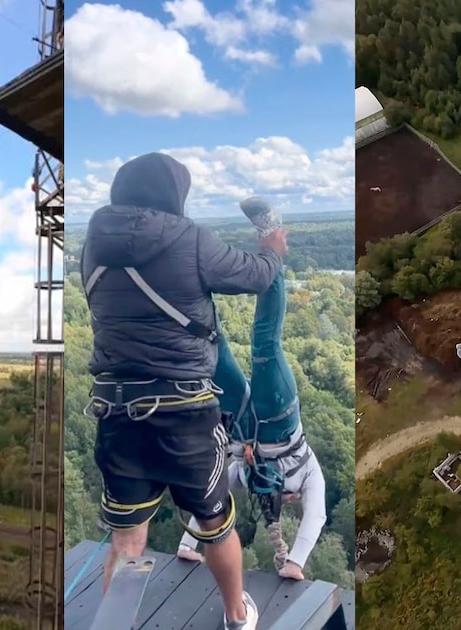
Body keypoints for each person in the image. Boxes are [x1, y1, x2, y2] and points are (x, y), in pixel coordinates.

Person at [81, 154, 287, 630]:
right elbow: (255, 275)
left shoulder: (93, 241)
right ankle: (237, 615)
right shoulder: (188, 238)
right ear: (174, 194)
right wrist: (274, 248)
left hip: (117, 413)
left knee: (127, 541)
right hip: (184, 415)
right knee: (216, 525)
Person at [174, 198, 328, 582]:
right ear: (291, 497)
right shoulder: (309, 475)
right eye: (291, 497)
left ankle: (180, 256)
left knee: (213, 351)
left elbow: (212, 496)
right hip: (279, 418)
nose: (290, 497)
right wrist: (296, 560)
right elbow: (318, 514)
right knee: (264, 344)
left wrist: (187, 544)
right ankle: (270, 233)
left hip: (242, 423)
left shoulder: (243, 477)